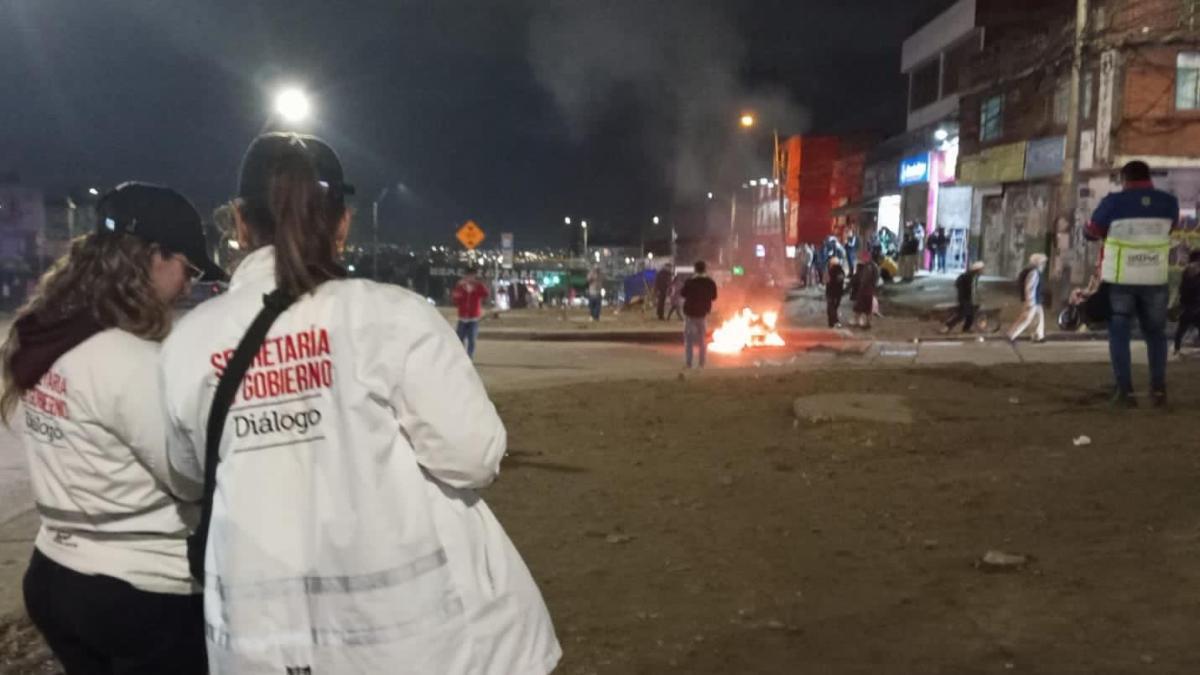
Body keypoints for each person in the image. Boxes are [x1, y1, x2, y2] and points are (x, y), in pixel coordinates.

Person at [159, 133, 560, 674]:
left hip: (260, 645)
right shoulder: (391, 317)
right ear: (342, 224)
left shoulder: (189, 342)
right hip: (411, 641)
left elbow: (186, 474)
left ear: (238, 223)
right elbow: (473, 456)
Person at [1, 183, 224, 674]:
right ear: (153, 255)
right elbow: (187, 479)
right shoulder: (129, 361)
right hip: (136, 592)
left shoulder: (49, 335)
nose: (189, 285)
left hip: (56, 572)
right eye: (187, 267)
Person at [1085, 160, 1178, 408]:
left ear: (1125, 179)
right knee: (1156, 335)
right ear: (1149, 177)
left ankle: (1125, 391)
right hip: (1155, 278)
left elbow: (1093, 229)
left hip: (1121, 279)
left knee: (1119, 334)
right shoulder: (1169, 203)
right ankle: (1158, 390)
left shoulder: (1113, 202)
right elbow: (1170, 230)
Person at [681, 260, 718, 368]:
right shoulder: (710, 282)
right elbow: (714, 297)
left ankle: (689, 362)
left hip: (690, 313)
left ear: (695, 269)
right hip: (702, 313)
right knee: (702, 339)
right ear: (705, 269)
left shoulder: (690, 281)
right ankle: (701, 362)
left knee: (689, 339)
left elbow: (683, 293)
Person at [1008, 253, 1048, 343]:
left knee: (1039, 317)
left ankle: (1038, 335)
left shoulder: (1035, 272)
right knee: (1026, 318)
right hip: (1032, 300)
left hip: (1036, 299)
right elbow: (1030, 288)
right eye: (1043, 263)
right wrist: (1030, 301)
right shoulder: (1034, 273)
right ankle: (1011, 335)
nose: (1044, 265)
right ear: (1038, 263)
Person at [451, 265, 489, 360]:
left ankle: (469, 358)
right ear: (465, 276)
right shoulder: (460, 286)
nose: (470, 278)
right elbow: (455, 298)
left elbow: (485, 294)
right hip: (462, 318)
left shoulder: (478, 286)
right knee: (459, 340)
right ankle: (460, 358)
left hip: (473, 318)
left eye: (472, 276)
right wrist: (460, 289)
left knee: (472, 340)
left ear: (475, 276)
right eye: (468, 276)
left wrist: (477, 287)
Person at [943, 261, 985, 333]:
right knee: (962, 314)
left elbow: (973, 289)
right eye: (982, 269)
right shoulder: (969, 276)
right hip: (965, 298)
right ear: (978, 270)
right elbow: (970, 288)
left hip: (968, 298)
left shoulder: (973, 276)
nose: (983, 271)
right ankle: (947, 326)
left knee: (970, 315)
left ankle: (966, 329)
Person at [1175, 250, 1200, 354]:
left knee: (1182, 328)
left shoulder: (1187, 270)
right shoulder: (1192, 269)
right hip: (1193, 304)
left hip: (1188, 305)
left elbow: (1182, 289)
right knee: (1183, 327)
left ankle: (1177, 349)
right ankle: (1177, 348)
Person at [851, 254, 880, 329]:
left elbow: (865, 279)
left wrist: (861, 286)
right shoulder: (874, 266)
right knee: (867, 307)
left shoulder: (868, 267)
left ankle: (859, 321)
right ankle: (867, 322)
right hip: (870, 289)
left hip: (865, 289)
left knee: (861, 306)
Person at [825, 257, 846, 329]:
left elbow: (826, 281)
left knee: (831, 308)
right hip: (838, 293)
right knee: (835, 307)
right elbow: (841, 281)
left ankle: (833, 322)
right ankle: (834, 322)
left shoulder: (830, 271)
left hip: (831, 292)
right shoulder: (841, 271)